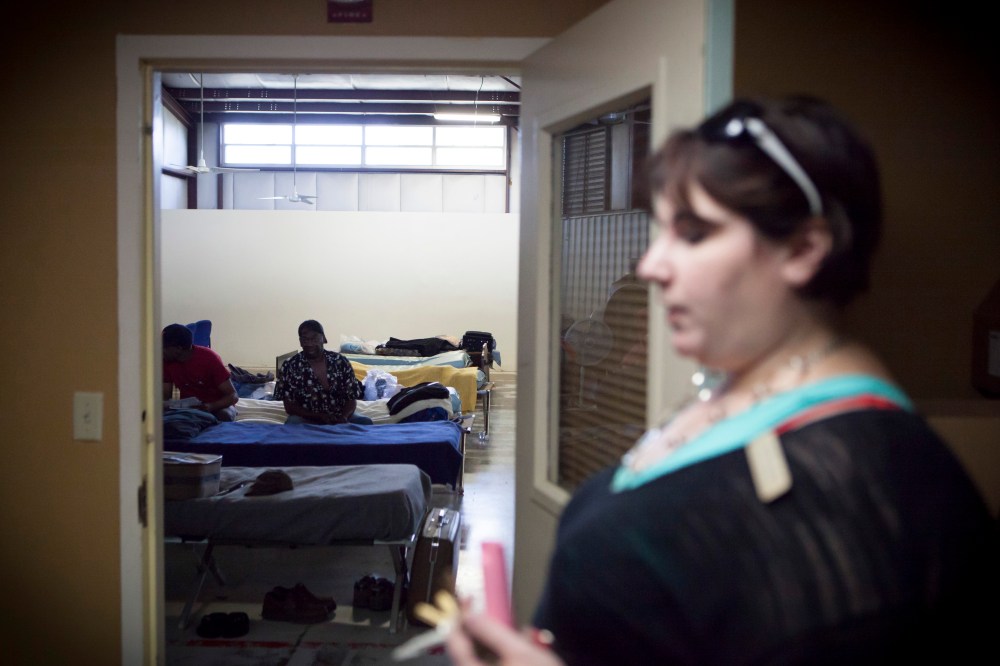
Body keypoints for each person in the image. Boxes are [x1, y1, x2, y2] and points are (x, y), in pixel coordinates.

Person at [446, 96, 998, 665]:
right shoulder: (742, 391)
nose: (651, 267)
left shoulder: (865, 492)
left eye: (693, 232)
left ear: (804, 249)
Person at [273, 319, 367, 425]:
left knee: (365, 422)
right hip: (307, 417)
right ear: (300, 342)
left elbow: (351, 398)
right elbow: (289, 407)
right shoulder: (290, 366)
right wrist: (318, 417)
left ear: (324, 338)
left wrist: (344, 417)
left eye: (314, 338)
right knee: (292, 424)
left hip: (340, 415)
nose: (309, 343)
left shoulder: (340, 362)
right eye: (305, 339)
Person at [162, 323, 239, 421]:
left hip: (216, 407)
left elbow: (233, 396)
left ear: (178, 348)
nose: (161, 351)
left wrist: (210, 406)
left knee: (224, 415)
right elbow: (165, 398)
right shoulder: (167, 361)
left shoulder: (209, 358)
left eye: (164, 347)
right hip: (189, 410)